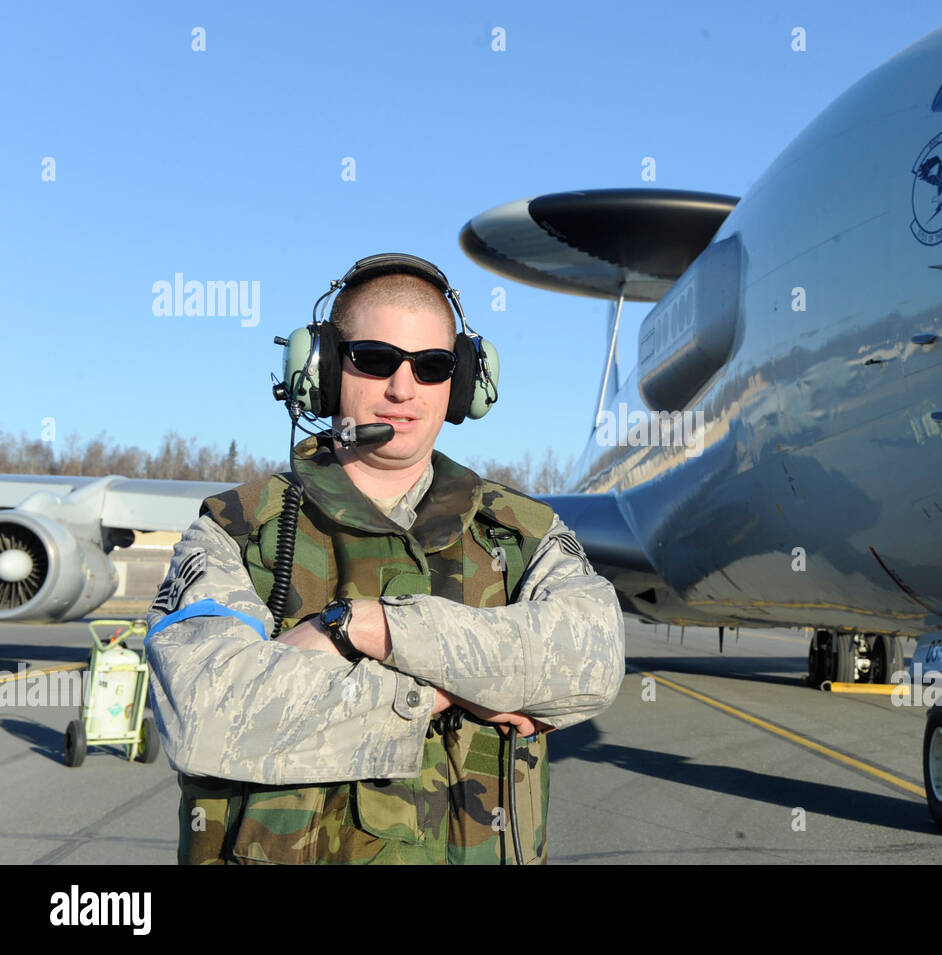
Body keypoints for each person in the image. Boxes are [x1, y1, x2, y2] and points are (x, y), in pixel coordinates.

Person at [144, 254, 625, 864]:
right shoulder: (234, 530)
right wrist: (451, 685)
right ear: (320, 368)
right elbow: (207, 713)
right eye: (374, 360)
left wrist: (368, 628)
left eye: (432, 367)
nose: (403, 388)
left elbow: (592, 664)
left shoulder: (521, 531)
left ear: (462, 385)